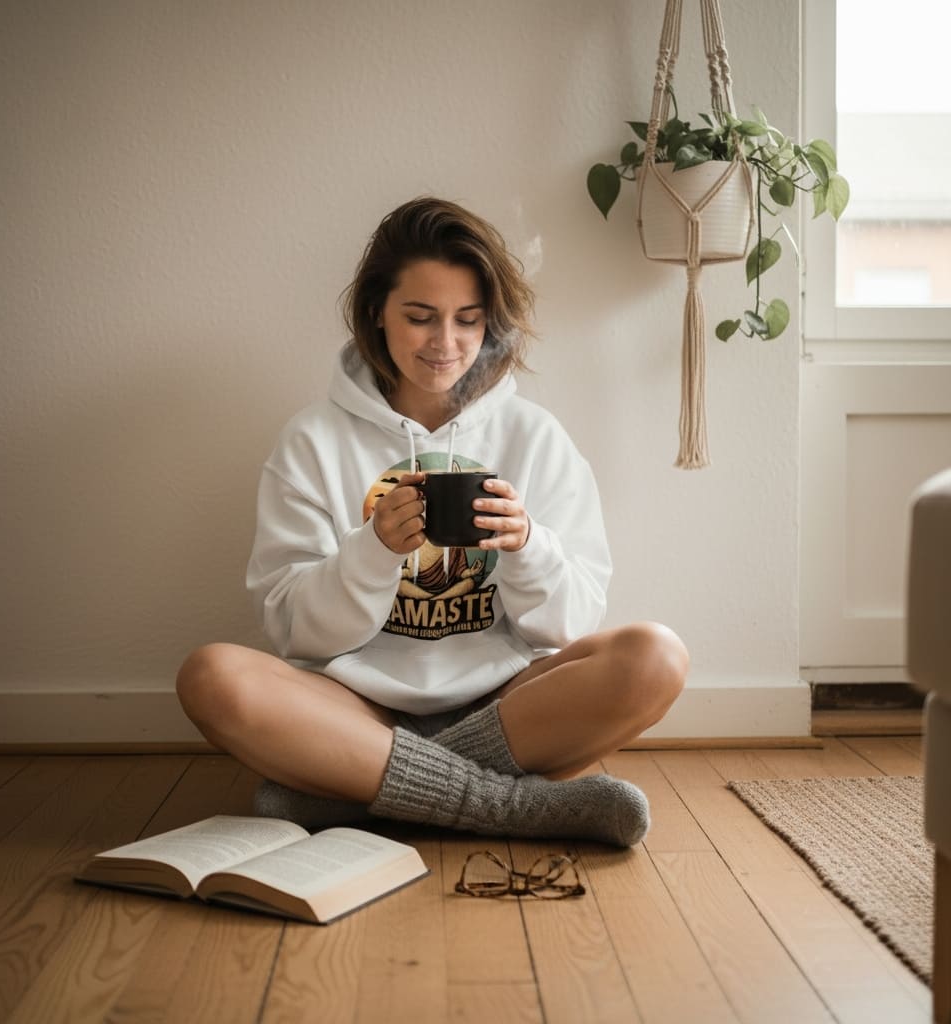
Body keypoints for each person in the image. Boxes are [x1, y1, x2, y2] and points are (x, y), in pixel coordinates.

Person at [176, 197, 687, 846]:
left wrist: (527, 545)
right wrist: (372, 550)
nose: (446, 344)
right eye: (420, 318)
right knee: (212, 677)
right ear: (376, 314)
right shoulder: (312, 440)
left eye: (468, 321)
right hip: (358, 709)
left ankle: (357, 788)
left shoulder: (535, 437)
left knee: (655, 658)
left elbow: (572, 621)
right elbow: (293, 631)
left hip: (507, 704)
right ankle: (500, 804)